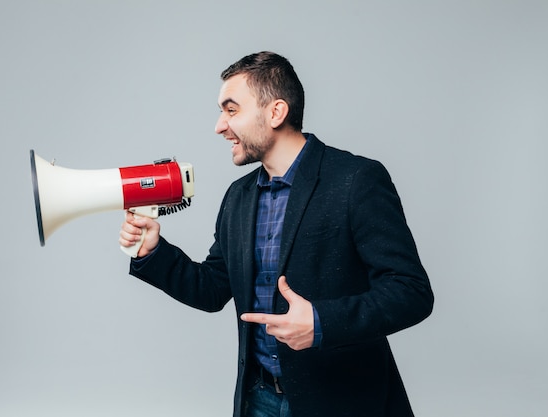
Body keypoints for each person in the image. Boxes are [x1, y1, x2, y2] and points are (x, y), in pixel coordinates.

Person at [119, 51, 434, 417]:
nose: (219, 126)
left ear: (276, 112)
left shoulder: (356, 180)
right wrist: (153, 252)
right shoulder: (238, 196)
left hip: (341, 402)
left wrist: (320, 322)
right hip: (259, 400)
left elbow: (411, 292)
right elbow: (213, 288)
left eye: (231, 109)